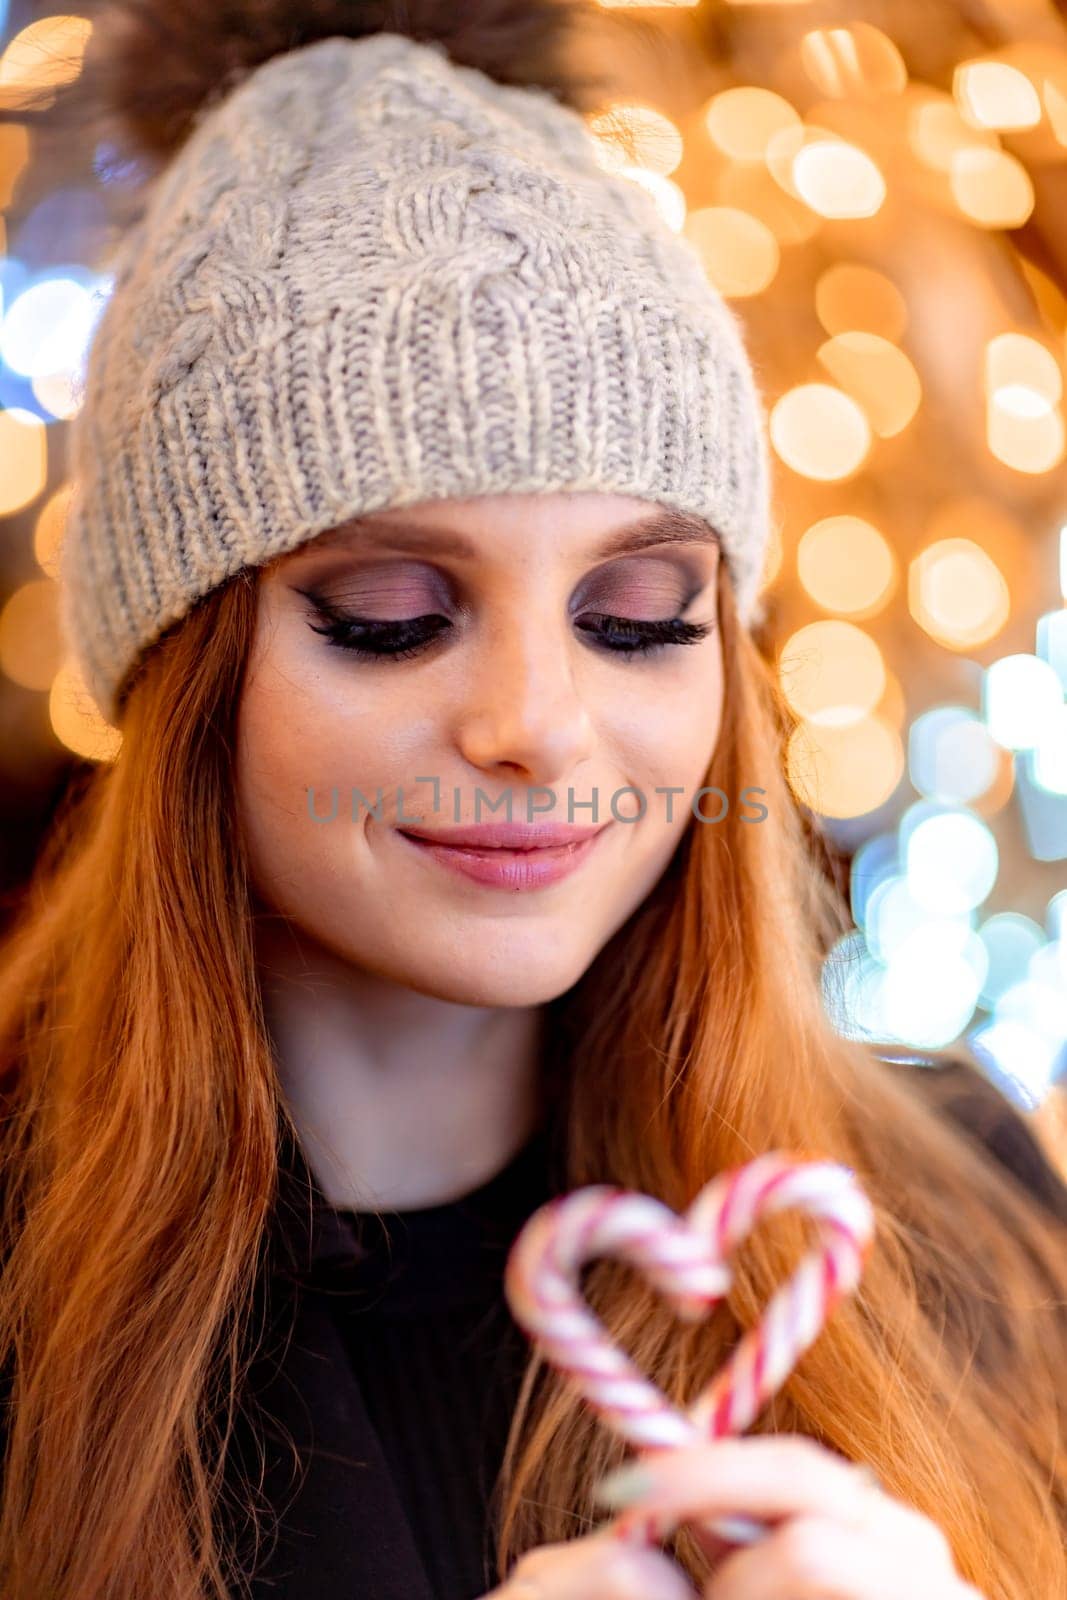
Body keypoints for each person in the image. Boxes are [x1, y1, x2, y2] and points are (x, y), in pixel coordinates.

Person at [0, 3, 1064, 1598]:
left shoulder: (961, 1213)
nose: (538, 729)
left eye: (638, 616)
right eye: (391, 617)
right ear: (187, 671)